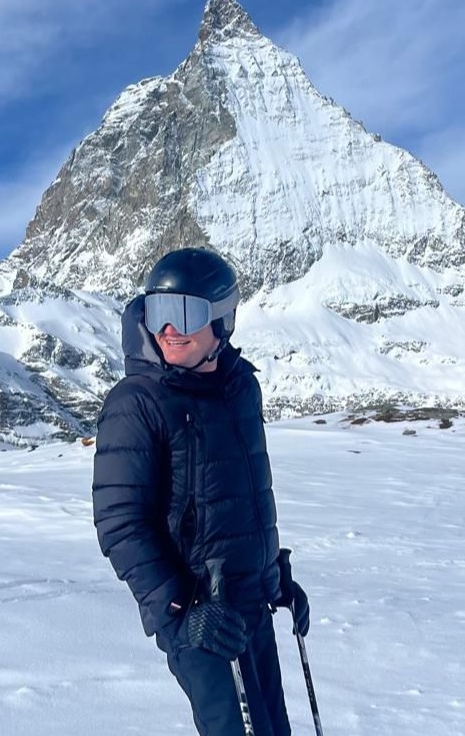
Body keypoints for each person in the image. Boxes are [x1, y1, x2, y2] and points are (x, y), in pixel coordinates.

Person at [93, 247, 311, 736]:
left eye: (183, 313)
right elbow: (120, 522)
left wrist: (273, 573)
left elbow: (246, 495)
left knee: (274, 730)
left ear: (222, 320)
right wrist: (183, 609)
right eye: (157, 313)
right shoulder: (139, 402)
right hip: (194, 611)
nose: (168, 329)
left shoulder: (239, 389)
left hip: (247, 601)